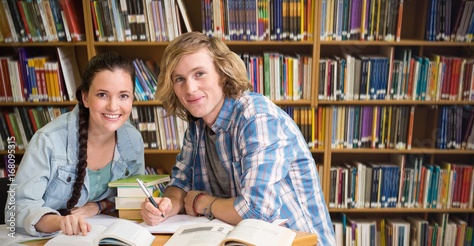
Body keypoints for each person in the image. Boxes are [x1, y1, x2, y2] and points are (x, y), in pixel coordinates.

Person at [141, 32, 336, 246]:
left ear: (222, 74)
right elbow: (180, 183)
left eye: (199, 74)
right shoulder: (196, 127)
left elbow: (257, 210)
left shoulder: (256, 118)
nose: (190, 88)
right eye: (180, 79)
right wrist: (166, 204)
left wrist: (201, 202)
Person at [6, 52, 145, 237]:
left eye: (123, 96)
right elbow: (16, 209)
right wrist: (60, 222)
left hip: (101, 234)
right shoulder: (48, 140)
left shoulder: (133, 140)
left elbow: (131, 199)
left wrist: (97, 206)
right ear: (85, 97)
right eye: (103, 95)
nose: (113, 106)